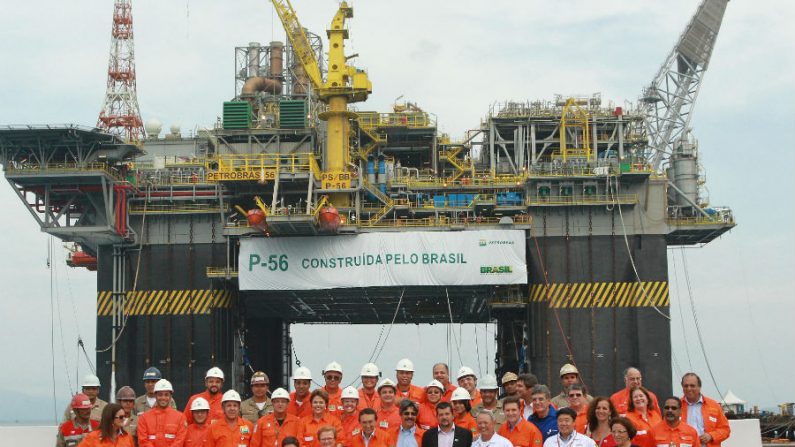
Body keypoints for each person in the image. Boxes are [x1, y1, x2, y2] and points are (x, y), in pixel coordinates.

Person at [680, 373, 731, 447]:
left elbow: (725, 430)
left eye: (692, 386)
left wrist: (711, 436)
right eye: (686, 386)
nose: (689, 388)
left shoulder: (714, 406)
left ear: (699, 386)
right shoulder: (675, 407)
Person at [137, 379, 188, 447]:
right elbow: (143, 441)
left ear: (170, 396)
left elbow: (180, 441)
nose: (163, 398)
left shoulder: (180, 417)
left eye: (166, 395)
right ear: (155, 395)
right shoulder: (144, 418)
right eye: (160, 395)